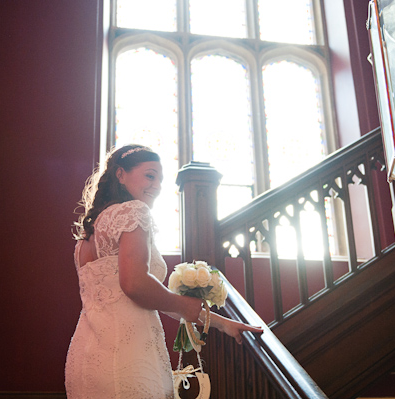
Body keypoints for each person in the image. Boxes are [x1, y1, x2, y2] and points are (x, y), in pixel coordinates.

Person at [65, 144, 263, 398]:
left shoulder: (86, 239)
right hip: (128, 356)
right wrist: (186, 304)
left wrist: (222, 324)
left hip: (86, 358)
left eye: (160, 179)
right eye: (150, 175)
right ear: (120, 174)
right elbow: (135, 285)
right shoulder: (133, 211)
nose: (157, 185)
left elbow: (144, 296)